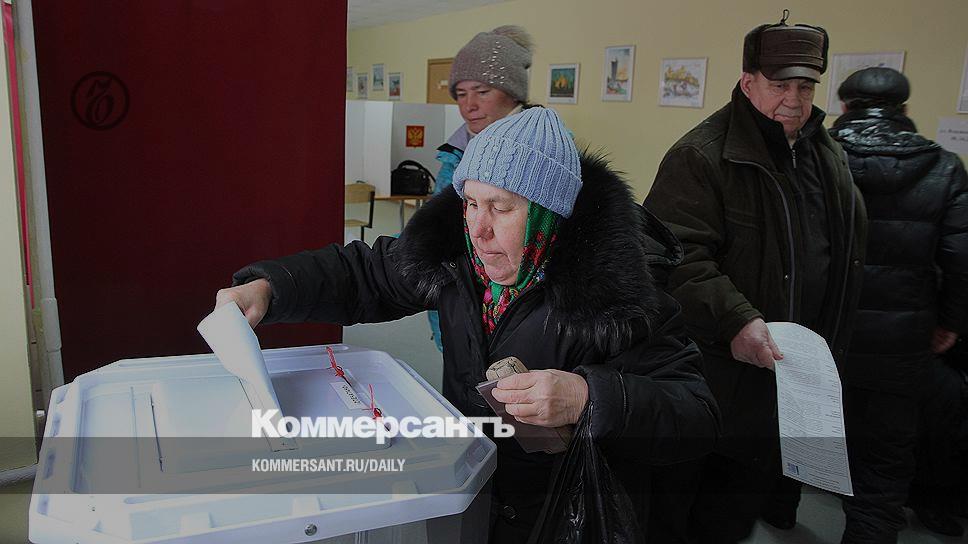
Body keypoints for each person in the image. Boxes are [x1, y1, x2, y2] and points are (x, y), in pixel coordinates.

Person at [216, 107, 719, 543]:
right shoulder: (456, 259)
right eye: (471, 204)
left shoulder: (623, 294)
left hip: (562, 513)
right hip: (473, 489)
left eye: (502, 208)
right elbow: (363, 273)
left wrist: (588, 397)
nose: (478, 229)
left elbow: (696, 416)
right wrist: (270, 288)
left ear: (550, 214)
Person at [643, 14, 866, 542]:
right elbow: (673, 257)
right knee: (690, 514)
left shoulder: (824, 151)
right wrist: (737, 319)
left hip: (789, 375)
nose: (794, 99)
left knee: (737, 511)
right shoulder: (702, 155)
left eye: (805, 86)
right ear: (747, 82)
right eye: (779, 84)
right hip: (716, 375)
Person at [830, 66, 968, 542]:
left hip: (826, 329)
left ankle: (782, 508)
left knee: (807, 434)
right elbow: (960, 259)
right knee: (886, 457)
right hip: (904, 338)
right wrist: (950, 323)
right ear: (904, 110)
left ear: (844, 106)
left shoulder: (818, 158)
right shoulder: (944, 166)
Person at [428, 25, 533, 352]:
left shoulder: (541, 157)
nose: (469, 105)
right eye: (461, 94)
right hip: (455, 302)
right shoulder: (456, 150)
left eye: (482, 91)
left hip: (513, 314)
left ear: (513, 94)